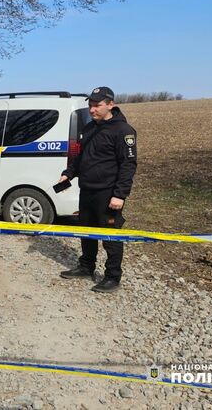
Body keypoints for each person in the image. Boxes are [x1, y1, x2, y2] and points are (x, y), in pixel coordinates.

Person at [58, 86, 137, 293]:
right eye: (90, 105)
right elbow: (80, 157)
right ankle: (86, 267)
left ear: (111, 104)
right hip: (87, 190)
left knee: (110, 236)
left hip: (108, 194)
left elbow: (128, 165)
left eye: (97, 105)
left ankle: (112, 277)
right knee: (86, 232)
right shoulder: (89, 129)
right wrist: (68, 173)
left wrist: (119, 195)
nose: (92, 110)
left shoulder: (123, 131)